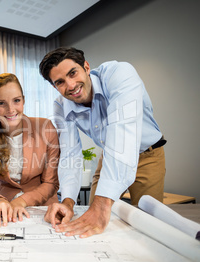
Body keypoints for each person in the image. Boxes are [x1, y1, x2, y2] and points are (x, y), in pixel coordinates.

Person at [39, 47, 166, 238]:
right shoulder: (60, 106)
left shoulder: (119, 74)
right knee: (93, 221)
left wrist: (103, 203)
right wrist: (67, 202)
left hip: (148, 155)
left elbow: (123, 133)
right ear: (54, 86)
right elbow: (70, 154)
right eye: (60, 82)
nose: (71, 85)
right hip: (108, 156)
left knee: (148, 226)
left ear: (86, 67)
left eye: (73, 73)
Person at [0, 73, 60, 227]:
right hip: (4, 209)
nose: (11, 110)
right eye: (2, 103)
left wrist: (21, 201)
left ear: (23, 100)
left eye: (16, 101)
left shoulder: (45, 128)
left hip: (43, 208)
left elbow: (51, 183)